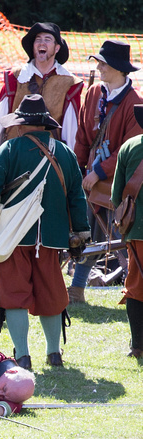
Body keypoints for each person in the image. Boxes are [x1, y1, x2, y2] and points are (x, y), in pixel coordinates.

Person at [0, 95, 89, 369]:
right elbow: (77, 198)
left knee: (14, 294)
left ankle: (23, 356)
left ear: (20, 124)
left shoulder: (10, 149)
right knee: (51, 293)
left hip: (13, 237)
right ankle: (54, 354)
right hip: (51, 238)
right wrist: (81, 233)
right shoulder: (65, 153)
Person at [70, 40, 143, 305]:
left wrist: (99, 172)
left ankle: (133, 288)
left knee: (124, 236)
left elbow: (128, 149)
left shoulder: (135, 104)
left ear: (119, 69)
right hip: (89, 180)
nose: (99, 67)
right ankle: (76, 289)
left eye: (103, 63)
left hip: (120, 183)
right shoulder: (92, 94)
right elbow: (81, 135)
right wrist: (79, 170)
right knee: (85, 232)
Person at [0, 22, 83, 172]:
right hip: (13, 155)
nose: (42, 43)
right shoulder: (16, 77)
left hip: (48, 161)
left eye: (47, 39)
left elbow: (70, 129)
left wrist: (69, 162)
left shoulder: (68, 82)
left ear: (57, 48)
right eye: (38, 39)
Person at [110, 104, 143, 359]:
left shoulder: (129, 147)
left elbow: (116, 195)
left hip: (137, 231)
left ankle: (138, 347)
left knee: (136, 286)